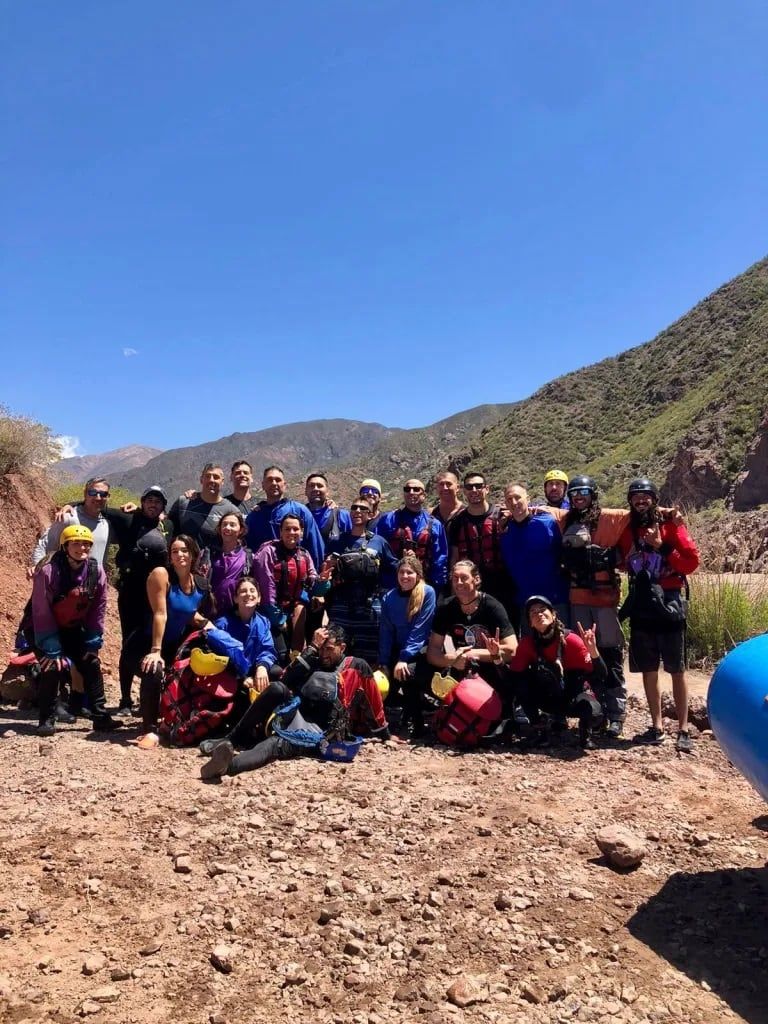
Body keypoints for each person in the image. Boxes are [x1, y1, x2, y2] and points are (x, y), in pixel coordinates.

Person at [199, 624, 392, 779]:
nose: (324, 654)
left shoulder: (358, 667)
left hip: (320, 731)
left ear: (342, 648)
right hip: (295, 712)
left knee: (273, 745)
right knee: (276, 688)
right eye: (321, 648)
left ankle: (226, 767)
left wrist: (384, 734)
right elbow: (285, 679)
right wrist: (311, 649)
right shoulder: (314, 658)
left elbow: (374, 703)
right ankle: (230, 739)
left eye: (329, 649)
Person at [616, 478, 700, 752]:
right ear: (630, 501)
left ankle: (684, 728)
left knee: (676, 668)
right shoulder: (627, 528)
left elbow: (691, 562)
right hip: (642, 603)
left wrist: (662, 545)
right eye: (636, 497)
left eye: (646, 496)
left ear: (654, 498)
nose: (641, 501)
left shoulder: (671, 525)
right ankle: (657, 726)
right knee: (649, 668)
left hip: (670, 601)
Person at [28, 525, 122, 736]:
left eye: (86, 544)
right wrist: (51, 648)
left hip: (72, 627)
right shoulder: (49, 571)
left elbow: (99, 606)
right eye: (76, 543)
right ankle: (46, 718)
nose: (82, 548)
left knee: (91, 662)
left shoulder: (95, 571)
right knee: (52, 667)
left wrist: (93, 640)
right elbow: (41, 610)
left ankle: (100, 716)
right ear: (65, 546)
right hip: (41, 628)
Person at [136, 534, 216, 749]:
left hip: (173, 643)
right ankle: (149, 730)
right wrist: (155, 650)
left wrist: (215, 630)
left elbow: (189, 613)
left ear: (193, 555)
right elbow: (160, 613)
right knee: (154, 670)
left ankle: (180, 720)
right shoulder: (162, 575)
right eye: (174, 551)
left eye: (184, 550)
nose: (179, 554)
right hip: (146, 642)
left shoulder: (199, 583)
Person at [498, 596, 604, 750]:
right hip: (547, 697)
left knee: (593, 712)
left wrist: (593, 651)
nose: (539, 614)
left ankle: (585, 735)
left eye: (542, 610)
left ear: (554, 615)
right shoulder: (527, 645)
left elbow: (601, 674)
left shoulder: (572, 640)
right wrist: (496, 658)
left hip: (572, 695)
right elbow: (512, 680)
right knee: (521, 683)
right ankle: (540, 730)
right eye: (533, 613)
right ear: (530, 623)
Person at [322, 495, 398, 666]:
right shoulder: (336, 542)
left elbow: (395, 569)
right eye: (354, 508)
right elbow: (325, 572)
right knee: (336, 651)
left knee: (369, 655)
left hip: (369, 605)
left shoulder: (378, 542)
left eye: (363, 509)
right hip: (341, 605)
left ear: (370, 515)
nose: (357, 511)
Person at [427, 559, 517, 688]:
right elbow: (432, 652)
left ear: (476, 579)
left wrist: (472, 655)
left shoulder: (492, 606)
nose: (458, 583)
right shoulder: (445, 607)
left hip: (492, 668)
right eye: (455, 578)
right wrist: (453, 660)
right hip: (462, 668)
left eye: (464, 578)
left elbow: (512, 650)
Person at [252, 514, 328, 663]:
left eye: (295, 529)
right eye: (287, 529)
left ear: (301, 532)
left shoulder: (304, 555)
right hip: (270, 614)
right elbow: (267, 587)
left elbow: (313, 586)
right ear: (280, 532)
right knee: (279, 656)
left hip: (295, 611)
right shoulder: (268, 552)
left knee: (298, 652)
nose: (291, 533)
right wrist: (279, 619)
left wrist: (323, 581)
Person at [379, 555, 437, 734]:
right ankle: (395, 716)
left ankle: (417, 721)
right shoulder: (389, 597)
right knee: (382, 684)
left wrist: (404, 658)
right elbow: (386, 631)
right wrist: (383, 662)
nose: (405, 576)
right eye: (401, 572)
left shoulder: (427, 592)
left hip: (422, 649)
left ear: (418, 575)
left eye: (409, 573)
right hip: (398, 649)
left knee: (407, 673)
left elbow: (420, 629)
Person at [500, 483, 569, 629]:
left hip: (555, 597)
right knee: (532, 647)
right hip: (526, 601)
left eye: (517, 497)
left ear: (528, 499)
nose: (514, 502)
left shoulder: (548, 523)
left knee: (563, 642)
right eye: (509, 499)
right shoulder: (505, 532)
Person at [449, 472, 513, 613]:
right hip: (471, 588)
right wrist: (454, 590)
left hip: (503, 585)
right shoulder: (457, 522)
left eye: (478, 486)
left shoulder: (503, 516)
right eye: (469, 487)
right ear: (464, 490)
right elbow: (454, 557)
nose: (474, 490)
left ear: (487, 489)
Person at [245, 466, 324, 571]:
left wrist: (315, 579)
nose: (274, 483)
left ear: (285, 485)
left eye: (278, 480)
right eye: (269, 480)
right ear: (263, 485)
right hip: (264, 578)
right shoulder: (254, 517)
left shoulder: (300, 511)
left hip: (297, 578)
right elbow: (247, 552)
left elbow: (315, 547)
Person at [375, 479, 448, 592]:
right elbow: (377, 550)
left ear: (424, 495)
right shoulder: (388, 520)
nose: (411, 492)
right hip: (392, 585)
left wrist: (437, 588)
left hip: (423, 585)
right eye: (407, 489)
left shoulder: (435, 525)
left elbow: (440, 558)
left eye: (416, 489)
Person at [205, 576, 278, 687]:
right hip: (228, 676)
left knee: (276, 672)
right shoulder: (222, 624)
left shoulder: (263, 622)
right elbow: (215, 657)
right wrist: (240, 678)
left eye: (252, 591)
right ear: (235, 598)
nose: (248, 594)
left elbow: (267, 649)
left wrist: (262, 667)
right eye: (243, 591)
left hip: (253, 672)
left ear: (259, 598)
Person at [30, 478, 112, 572]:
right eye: (93, 492)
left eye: (103, 494)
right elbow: (45, 544)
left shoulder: (106, 524)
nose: (98, 497)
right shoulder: (69, 518)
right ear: (85, 494)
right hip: (63, 581)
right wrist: (38, 569)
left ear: (108, 497)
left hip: (91, 583)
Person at [167, 464, 239, 551]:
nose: (211, 480)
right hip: (184, 561)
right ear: (201, 479)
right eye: (208, 476)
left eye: (216, 477)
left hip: (214, 563)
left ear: (222, 481)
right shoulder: (183, 502)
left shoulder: (230, 511)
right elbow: (168, 529)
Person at [205, 511, 256, 616]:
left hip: (235, 613)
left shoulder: (248, 556)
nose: (227, 528)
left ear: (241, 530)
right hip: (209, 610)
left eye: (232, 525)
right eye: (224, 524)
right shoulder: (209, 553)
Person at [305, 472, 352, 549]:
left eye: (320, 486)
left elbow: (351, 543)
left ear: (327, 491)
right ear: (305, 491)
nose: (315, 488)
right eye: (311, 486)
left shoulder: (341, 515)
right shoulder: (299, 516)